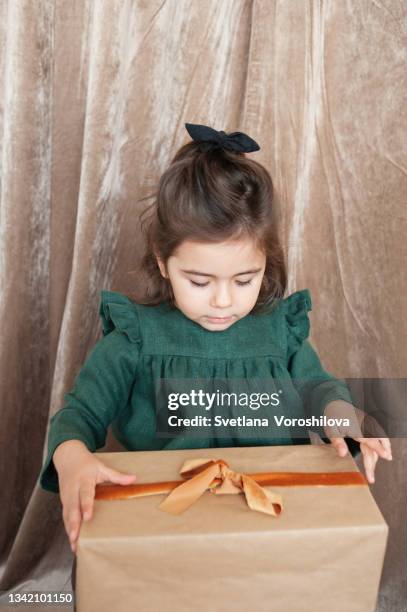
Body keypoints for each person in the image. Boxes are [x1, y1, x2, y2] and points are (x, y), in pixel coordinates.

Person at [39, 122, 392, 560]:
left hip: (272, 528)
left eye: (245, 279)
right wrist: (71, 455)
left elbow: (317, 387)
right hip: (169, 531)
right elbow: (80, 414)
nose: (224, 301)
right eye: (200, 281)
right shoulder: (135, 338)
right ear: (163, 263)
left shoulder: (279, 331)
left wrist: (343, 414)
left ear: (267, 263)